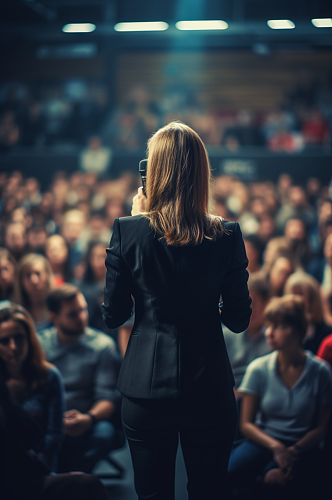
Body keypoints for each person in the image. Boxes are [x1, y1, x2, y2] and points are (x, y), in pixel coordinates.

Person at [101, 122, 252, 500]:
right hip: (209, 385)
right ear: (201, 172)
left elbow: (113, 315)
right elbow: (238, 319)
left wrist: (137, 222)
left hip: (144, 388)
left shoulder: (127, 230)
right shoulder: (227, 234)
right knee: (209, 492)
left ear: (154, 173)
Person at [228, 295, 331, 494]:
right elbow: (246, 425)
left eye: (279, 326)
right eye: (269, 325)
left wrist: (294, 450)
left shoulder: (321, 372)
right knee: (226, 473)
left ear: (299, 330)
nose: (269, 333)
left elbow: (321, 428)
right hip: (262, 440)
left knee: (280, 482)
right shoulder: (258, 368)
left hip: (302, 447)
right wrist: (276, 447)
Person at [39, 283, 122, 473]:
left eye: (83, 310)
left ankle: (76, 478)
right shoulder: (39, 344)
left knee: (104, 436)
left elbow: (107, 398)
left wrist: (88, 418)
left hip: (89, 417)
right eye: (72, 314)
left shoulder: (103, 346)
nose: (82, 317)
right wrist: (54, 419)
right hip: (49, 416)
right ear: (54, 317)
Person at [0, 302, 64, 472]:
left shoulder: (50, 376)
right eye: (4, 341)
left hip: (40, 468)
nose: (13, 347)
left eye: (19, 337)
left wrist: (38, 462)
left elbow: (54, 435)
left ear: (30, 338)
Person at [17, 253, 54, 331]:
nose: (34, 280)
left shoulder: (58, 304)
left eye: (38, 273)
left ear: (47, 276)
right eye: (28, 275)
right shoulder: (16, 310)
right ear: (21, 281)